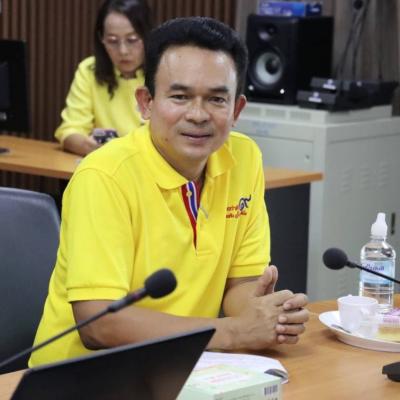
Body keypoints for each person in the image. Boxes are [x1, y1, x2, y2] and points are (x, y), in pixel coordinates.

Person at [30, 17, 309, 367]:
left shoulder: (244, 158)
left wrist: (263, 313)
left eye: (216, 99)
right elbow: (98, 324)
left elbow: (239, 283)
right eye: (180, 97)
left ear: (236, 109)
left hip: (186, 366)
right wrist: (233, 332)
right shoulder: (104, 175)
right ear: (146, 102)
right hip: (82, 377)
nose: (198, 115)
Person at [54, 0, 152, 156]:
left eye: (132, 40)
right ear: (101, 38)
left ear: (147, 35)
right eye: (112, 41)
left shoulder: (164, 72)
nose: (123, 50)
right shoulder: (89, 70)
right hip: (103, 161)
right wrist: (91, 147)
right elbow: (69, 131)